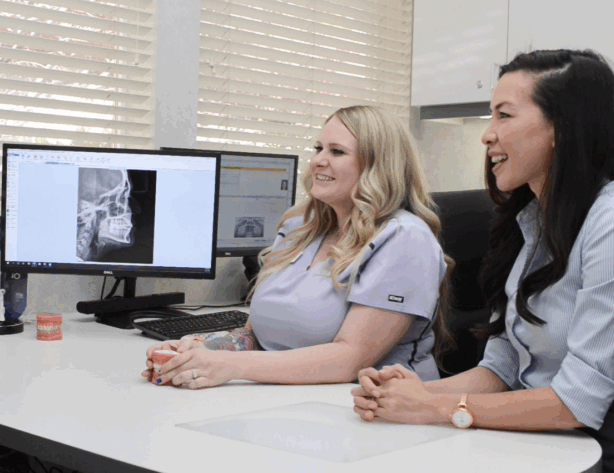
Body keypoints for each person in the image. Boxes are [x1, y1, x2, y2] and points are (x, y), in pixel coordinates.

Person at [352, 49, 614, 473]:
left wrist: (437, 408)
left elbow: (575, 404)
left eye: (504, 116)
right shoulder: (530, 221)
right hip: (542, 441)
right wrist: (413, 392)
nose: (487, 134)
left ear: (561, 128)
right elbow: (503, 366)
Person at [142, 105, 453, 389]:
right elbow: (254, 337)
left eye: (337, 151)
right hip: (286, 402)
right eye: (318, 148)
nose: (318, 159)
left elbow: (350, 360)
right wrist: (197, 350)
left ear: (377, 166)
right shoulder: (299, 229)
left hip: (376, 411)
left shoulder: (405, 240)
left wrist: (228, 365)